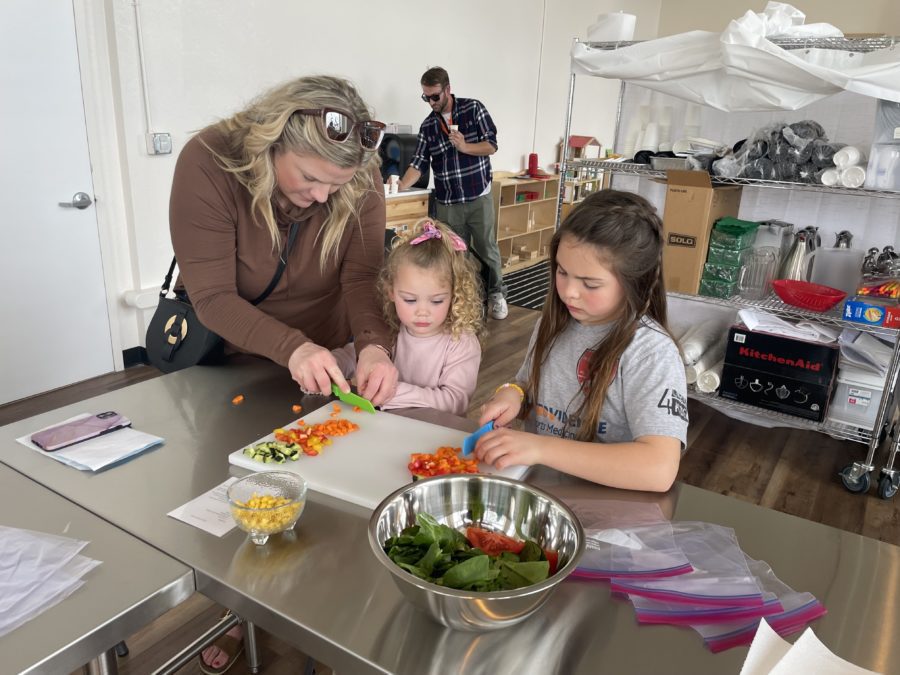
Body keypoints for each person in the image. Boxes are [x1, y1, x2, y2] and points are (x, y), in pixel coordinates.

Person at [168, 75, 399, 674]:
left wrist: (373, 345)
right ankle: (233, 612)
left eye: (338, 185)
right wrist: (290, 348)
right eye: (310, 179)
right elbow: (213, 296)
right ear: (269, 144)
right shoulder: (209, 161)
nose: (323, 197)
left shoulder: (359, 175)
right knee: (237, 497)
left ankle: (316, 612)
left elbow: (359, 280)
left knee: (317, 495)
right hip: (237, 355)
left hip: (320, 355)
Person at [475, 190, 688, 493]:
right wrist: (512, 394)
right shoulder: (553, 324)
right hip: (541, 490)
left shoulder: (651, 351)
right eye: (562, 272)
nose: (569, 292)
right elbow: (524, 384)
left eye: (590, 283)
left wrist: (541, 448)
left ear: (634, 282)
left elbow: (659, 468)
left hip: (610, 510)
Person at [397, 66, 509, 321]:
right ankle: (466, 301)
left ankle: (496, 294)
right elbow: (418, 163)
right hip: (448, 201)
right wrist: (399, 187)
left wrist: (465, 146)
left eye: (435, 96)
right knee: (457, 255)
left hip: (477, 194)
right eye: (426, 97)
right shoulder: (428, 126)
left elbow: (491, 145)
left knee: (486, 247)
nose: (431, 102)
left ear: (448, 89)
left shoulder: (473, 109)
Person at [377, 218, 485, 415]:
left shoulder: (461, 342)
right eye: (410, 300)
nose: (422, 311)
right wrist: (333, 363)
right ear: (390, 292)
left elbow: (455, 401)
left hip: (438, 438)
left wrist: (393, 391)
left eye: (436, 301)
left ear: (455, 295)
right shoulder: (391, 328)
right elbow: (358, 354)